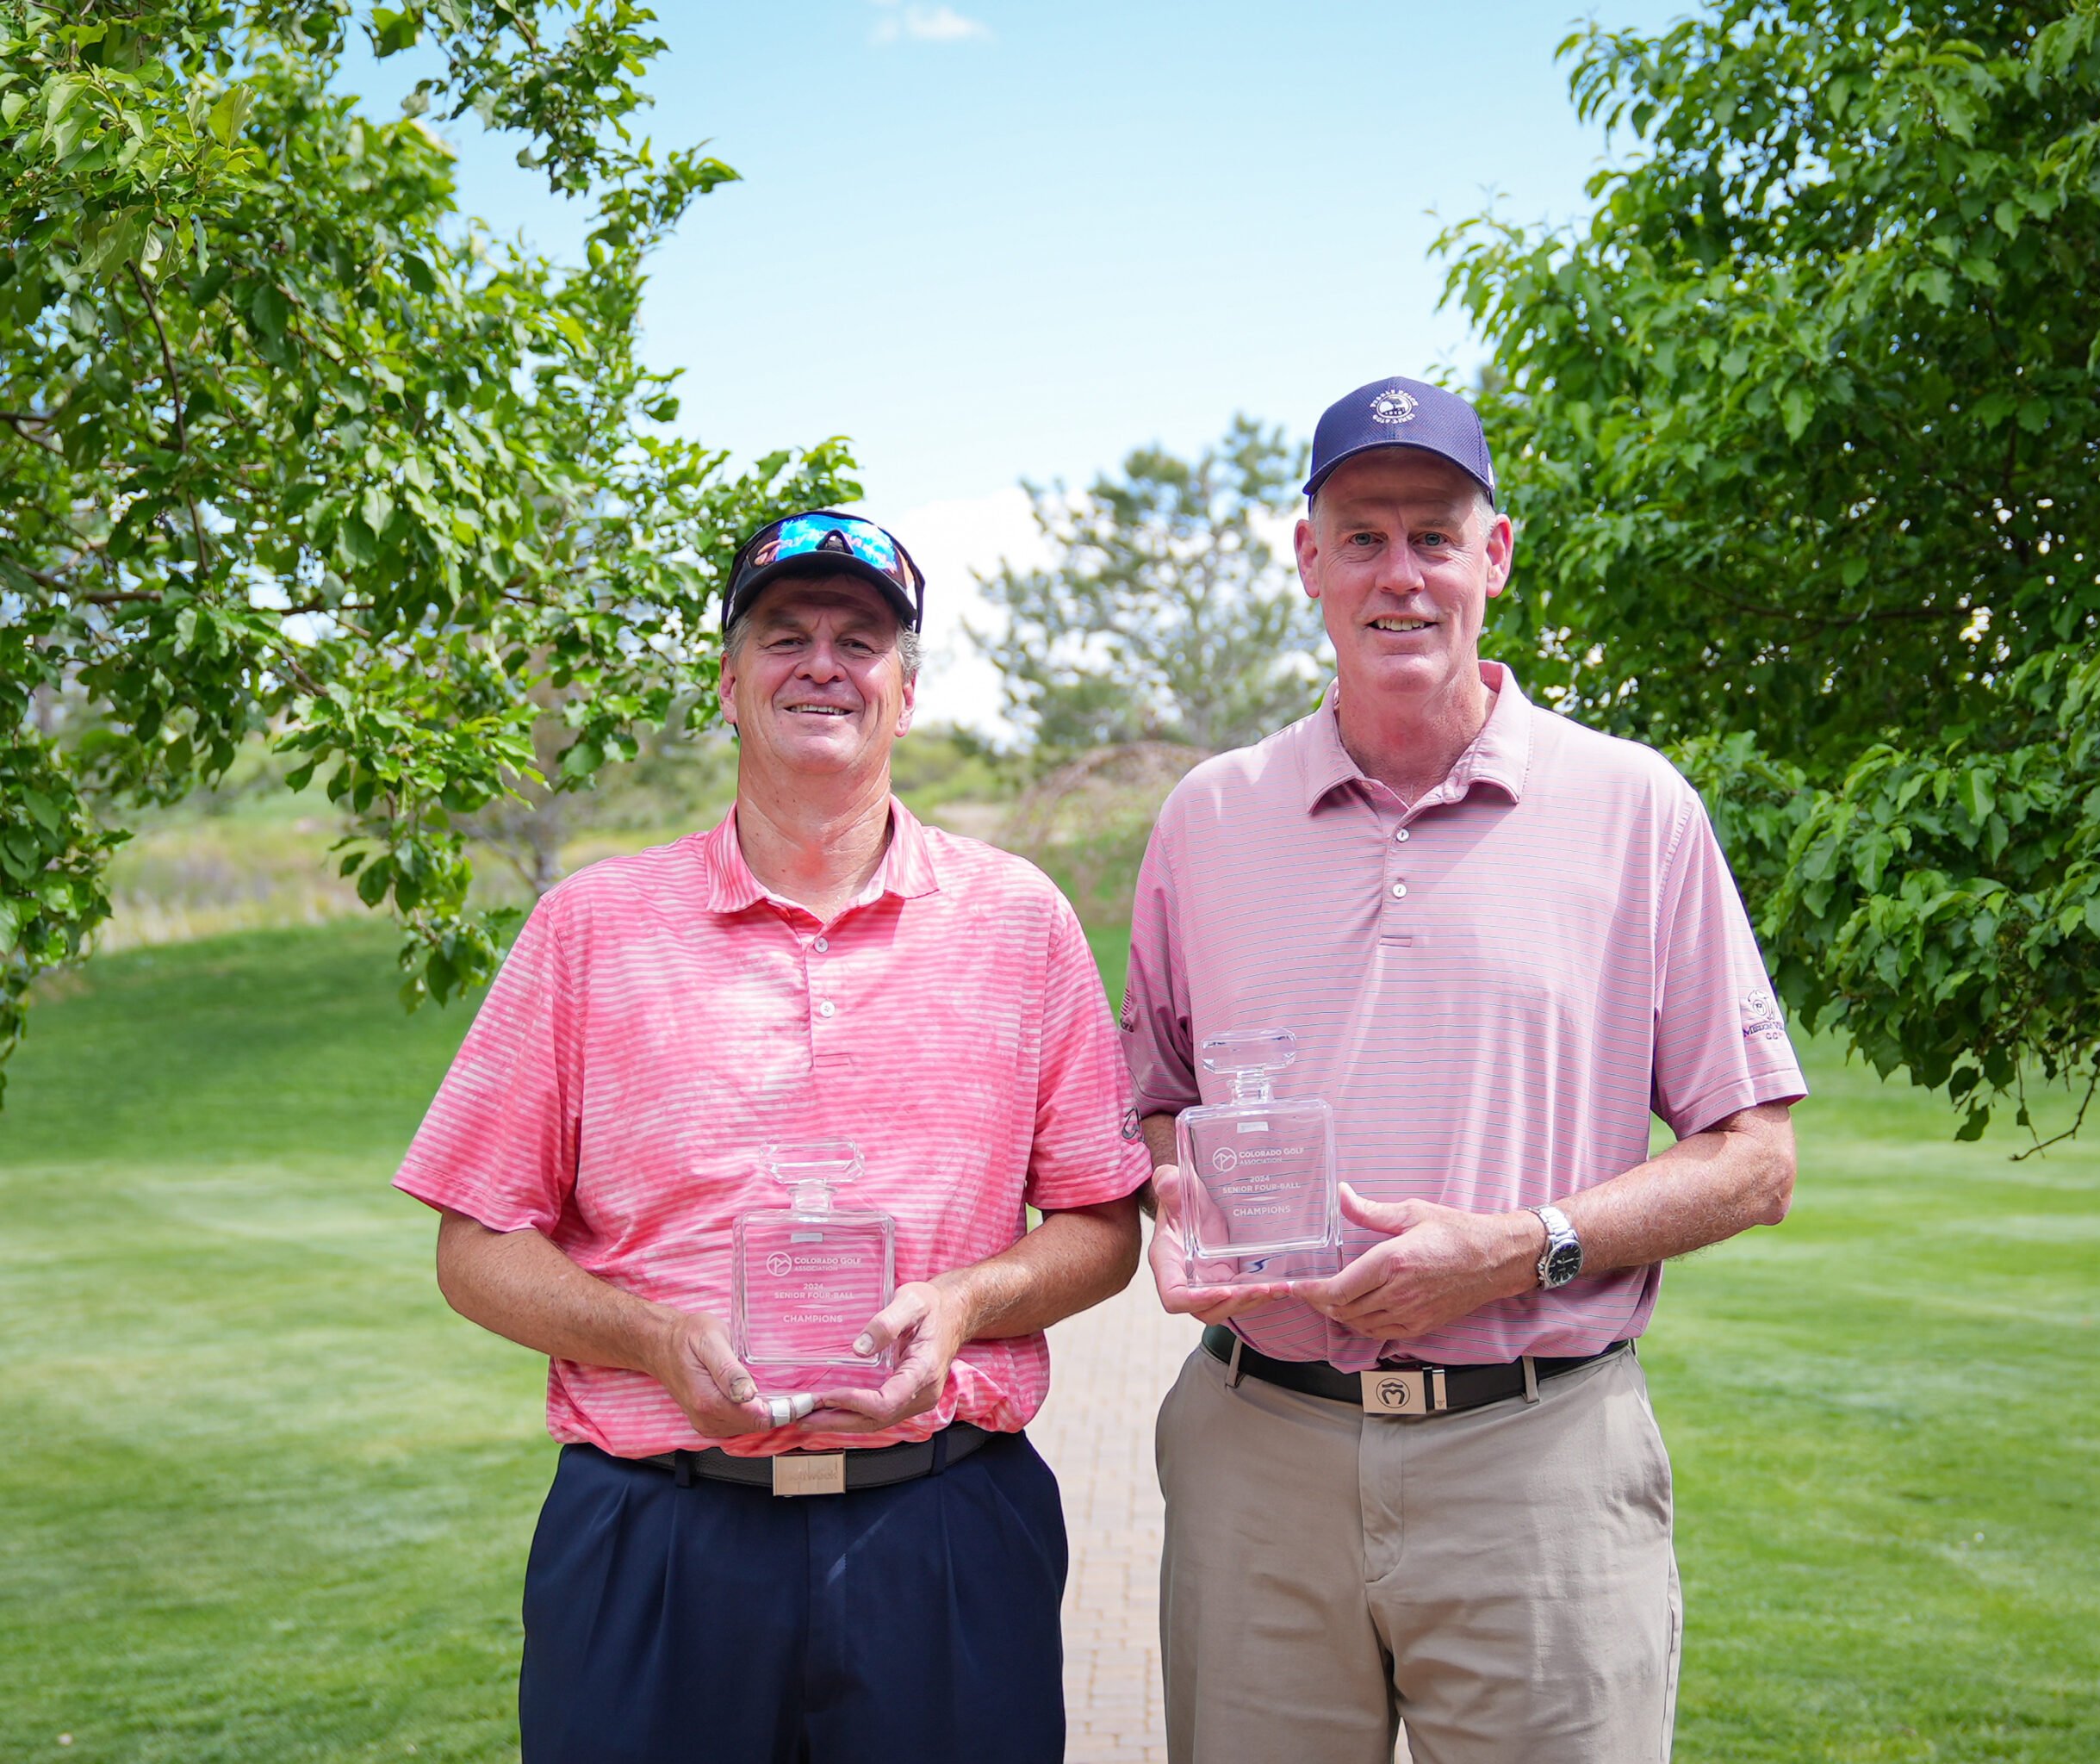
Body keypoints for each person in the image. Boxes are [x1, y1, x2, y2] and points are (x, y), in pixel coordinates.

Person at [1121, 378, 1808, 1764]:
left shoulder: (1634, 807)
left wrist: (1521, 1247)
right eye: (1363, 537)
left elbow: (1756, 1161)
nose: (1401, 574)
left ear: (1494, 557)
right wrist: (1175, 1197)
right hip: (1260, 1457)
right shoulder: (1209, 818)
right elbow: (1154, 1107)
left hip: (1536, 1466)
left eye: (1434, 535)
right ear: (1308, 561)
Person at [395, 508, 1149, 1764]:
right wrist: (651, 1338)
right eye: (785, 634)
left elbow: (1103, 1226)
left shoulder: (1019, 922)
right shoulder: (592, 927)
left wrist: (965, 1304)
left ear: (907, 689)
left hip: (941, 1528)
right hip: (658, 1536)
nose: (822, 665)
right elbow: (474, 1247)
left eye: (861, 640)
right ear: (729, 682)